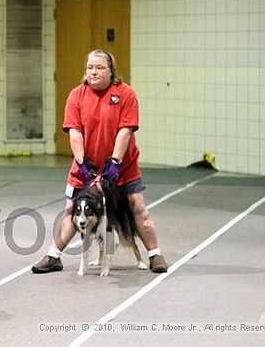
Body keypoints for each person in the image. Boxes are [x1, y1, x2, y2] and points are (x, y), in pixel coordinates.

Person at [32, 49, 168, 274]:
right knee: (70, 209)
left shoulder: (125, 94)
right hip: (86, 168)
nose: (93, 72)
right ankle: (54, 256)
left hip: (122, 167)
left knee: (137, 206)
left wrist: (115, 161)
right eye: (90, 68)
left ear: (110, 70)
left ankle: (155, 254)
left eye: (100, 67)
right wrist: (81, 161)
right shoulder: (76, 95)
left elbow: (125, 130)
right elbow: (74, 131)